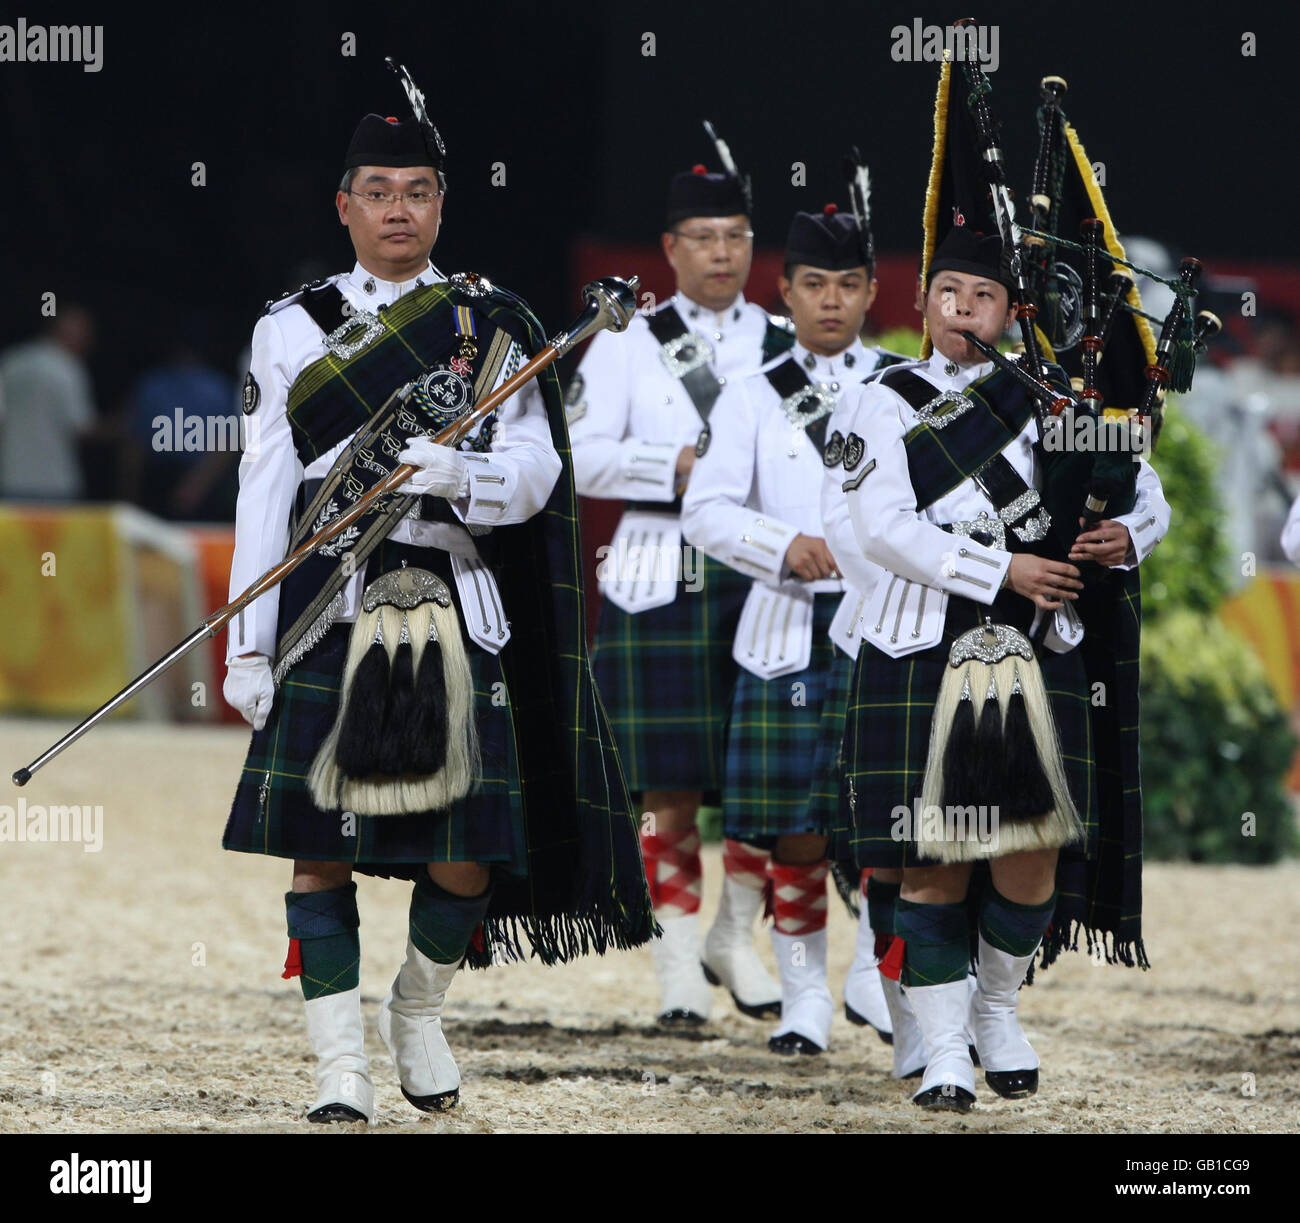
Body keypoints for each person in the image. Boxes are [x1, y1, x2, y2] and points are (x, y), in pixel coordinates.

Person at [221, 75, 651, 1124]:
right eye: (378, 189)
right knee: (319, 846)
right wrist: (246, 644)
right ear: (345, 205)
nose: (399, 207)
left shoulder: (491, 320)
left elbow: (541, 477)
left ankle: (415, 1010)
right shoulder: (292, 327)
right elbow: (264, 491)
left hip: (454, 597)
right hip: (333, 600)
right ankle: (339, 1068)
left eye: (418, 189)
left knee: (464, 857)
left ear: (442, 203)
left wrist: (454, 474)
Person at [825, 218, 1171, 1110]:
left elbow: (1147, 489)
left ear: (1012, 310)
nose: (962, 308)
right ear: (920, 300)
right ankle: (941, 1052)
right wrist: (1001, 567)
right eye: (947, 292)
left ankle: (998, 1009)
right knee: (934, 856)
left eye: (981, 295)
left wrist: (1125, 532)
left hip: (1036, 643)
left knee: (1029, 853)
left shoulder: (1060, 394)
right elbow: (882, 528)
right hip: (919, 642)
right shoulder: (883, 398)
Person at [567, 132, 795, 1024]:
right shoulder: (628, 341)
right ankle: (671, 961)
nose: (720, 252)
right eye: (702, 236)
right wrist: (676, 467)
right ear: (669, 248)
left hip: (757, 571)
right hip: (656, 568)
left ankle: (732, 933)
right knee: (664, 784)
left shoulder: (783, 341)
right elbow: (577, 455)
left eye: (736, 235)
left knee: (762, 778)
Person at [682, 195, 908, 1054]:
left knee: (883, 821)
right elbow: (704, 511)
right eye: (814, 284)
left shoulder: (902, 386)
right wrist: (783, 544)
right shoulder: (749, 396)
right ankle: (805, 994)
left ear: (869, 291)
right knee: (796, 825)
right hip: (783, 631)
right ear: (786, 291)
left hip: (880, 627)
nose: (831, 302)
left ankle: (876, 975)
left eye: (848, 285)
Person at [0, 306, 96, 500]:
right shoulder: (67, 367)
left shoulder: (10, 362)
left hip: (11, 476)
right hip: (54, 482)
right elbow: (82, 427)